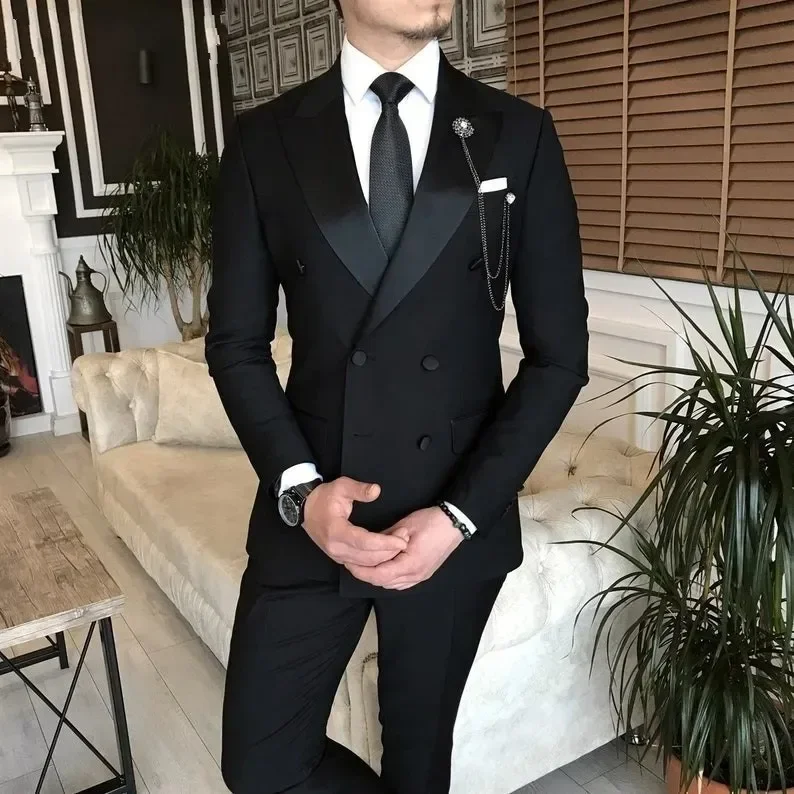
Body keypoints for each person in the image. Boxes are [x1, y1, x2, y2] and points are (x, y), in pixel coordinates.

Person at [206, 0, 589, 791]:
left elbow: (559, 359)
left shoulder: (518, 134)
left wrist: (460, 516)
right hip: (313, 509)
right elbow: (236, 345)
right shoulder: (264, 139)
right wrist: (300, 492)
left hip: (454, 510)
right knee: (261, 766)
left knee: (419, 759)